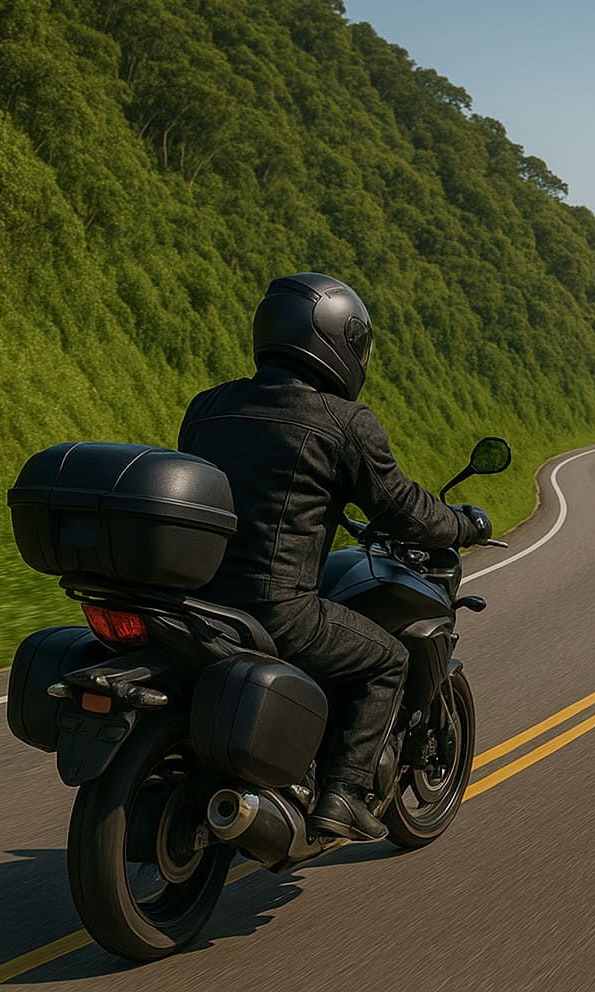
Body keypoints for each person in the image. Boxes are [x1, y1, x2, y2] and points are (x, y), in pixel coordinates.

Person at [178, 271, 491, 842]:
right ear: (333, 341)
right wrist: (463, 525)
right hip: (278, 611)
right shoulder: (344, 422)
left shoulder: (209, 407)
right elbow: (403, 508)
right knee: (388, 658)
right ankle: (344, 795)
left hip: (194, 601)